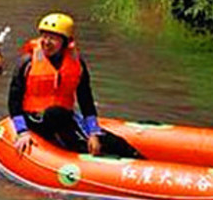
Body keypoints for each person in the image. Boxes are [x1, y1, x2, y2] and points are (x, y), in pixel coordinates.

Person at [9, 13, 140, 158]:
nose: (46, 42)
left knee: (116, 143)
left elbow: (86, 101)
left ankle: (139, 161)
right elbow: (14, 101)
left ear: (65, 42)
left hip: (65, 119)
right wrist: (22, 131)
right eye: (44, 36)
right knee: (55, 113)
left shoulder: (77, 64)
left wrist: (93, 132)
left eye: (53, 38)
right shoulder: (26, 63)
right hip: (36, 120)